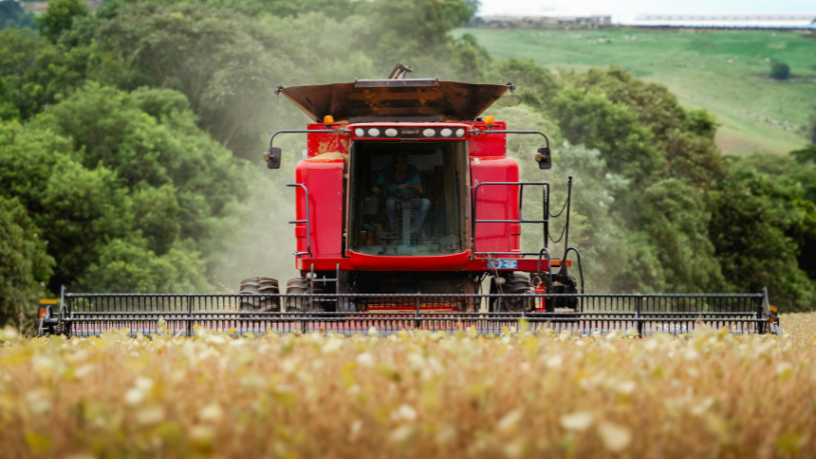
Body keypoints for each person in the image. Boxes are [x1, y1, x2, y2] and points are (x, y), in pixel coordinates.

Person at [371, 154, 431, 235]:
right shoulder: (388, 171)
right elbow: (377, 186)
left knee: (426, 202)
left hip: (412, 200)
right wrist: (375, 188)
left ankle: (414, 230)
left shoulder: (412, 169)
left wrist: (407, 186)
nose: (404, 166)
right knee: (389, 203)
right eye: (401, 164)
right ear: (395, 164)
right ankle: (395, 231)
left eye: (405, 164)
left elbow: (420, 189)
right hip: (395, 200)